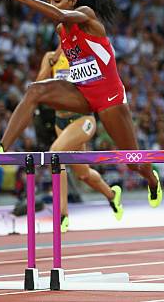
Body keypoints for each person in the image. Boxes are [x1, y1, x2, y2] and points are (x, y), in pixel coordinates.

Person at [0, 0, 162, 209]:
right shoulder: (60, 31)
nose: (53, 4)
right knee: (35, 91)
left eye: (57, 0)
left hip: (109, 97)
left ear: (73, 2)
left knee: (133, 162)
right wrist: (53, 56)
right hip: (82, 93)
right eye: (49, 1)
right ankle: (0, 148)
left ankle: (153, 181)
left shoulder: (86, 15)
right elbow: (65, 31)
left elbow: (63, 17)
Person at [35, 46, 123, 232]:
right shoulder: (50, 55)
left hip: (83, 119)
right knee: (83, 173)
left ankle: (62, 215)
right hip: (61, 122)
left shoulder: (83, 54)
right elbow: (38, 88)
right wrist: (51, 63)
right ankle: (112, 194)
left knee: (55, 155)